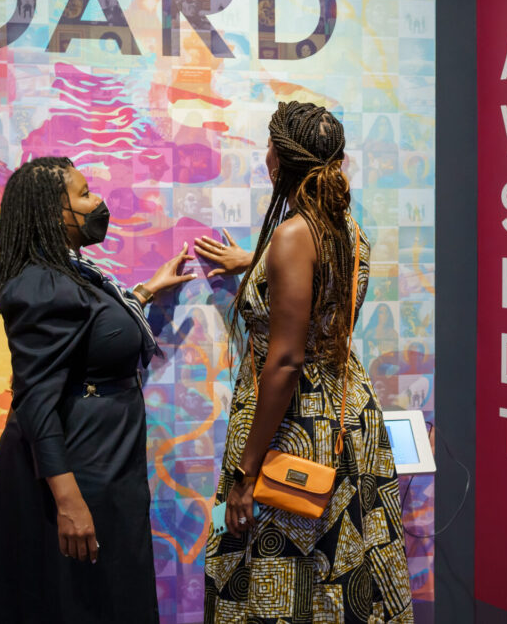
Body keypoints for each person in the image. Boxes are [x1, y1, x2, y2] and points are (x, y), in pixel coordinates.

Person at [199, 101, 414, 623]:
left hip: (299, 422)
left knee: (290, 566)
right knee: (339, 565)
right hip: (347, 412)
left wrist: (244, 474)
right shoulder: (344, 227)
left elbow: (286, 360)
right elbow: (318, 286)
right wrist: (256, 262)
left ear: (279, 160)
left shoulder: (294, 236)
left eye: (269, 144)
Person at [0, 156, 195, 623]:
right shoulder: (39, 285)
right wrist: (69, 502)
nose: (97, 201)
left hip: (103, 457)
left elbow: (91, 332)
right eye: (83, 194)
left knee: (105, 590)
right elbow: (35, 400)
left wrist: (143, 295)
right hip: (80, 465)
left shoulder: (70, 274)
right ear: (53, 213)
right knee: (82, 598)